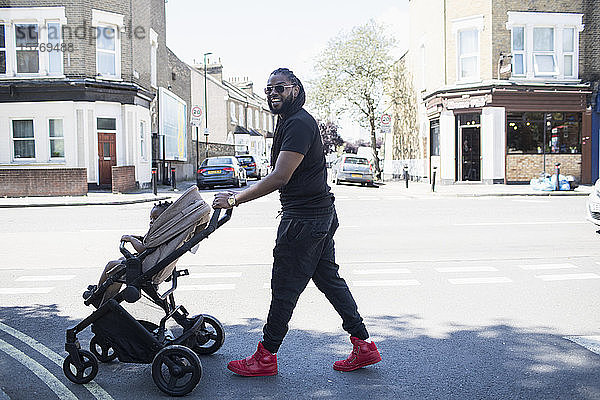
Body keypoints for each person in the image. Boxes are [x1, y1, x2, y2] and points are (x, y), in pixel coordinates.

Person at [213, 68, 381, 376]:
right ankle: (364, 345)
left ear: (295, 89)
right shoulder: (288, 122)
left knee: (284, 287)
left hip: (304, 220)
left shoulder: (299, 123)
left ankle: (266, 356)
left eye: (280, 87)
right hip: (317, 215)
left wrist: (235, 198)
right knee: (328, 279)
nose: (273, 93)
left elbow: (281, 176)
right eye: (268, 89)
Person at [83, 201, 172, 306]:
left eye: (155, 218)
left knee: (111, 265)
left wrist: (130, 239)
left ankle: (97, 294)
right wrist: (137, 238)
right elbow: (147, 243)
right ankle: (103, 292)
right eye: (151, 218)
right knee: (120, 261)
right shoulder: (166, 231)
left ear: (165, 219)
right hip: (151, 265)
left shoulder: (160, 233)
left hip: (147, 269)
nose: (151, 222)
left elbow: (143, 249)